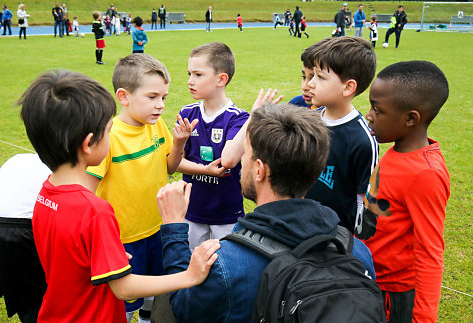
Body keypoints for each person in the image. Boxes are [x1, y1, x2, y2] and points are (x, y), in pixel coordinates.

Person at [19, 69, 220, 323]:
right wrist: (190, 275)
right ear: (88, 144)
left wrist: (104, 252)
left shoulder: (45, 194)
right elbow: (123, 288)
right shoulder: (96, 210)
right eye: (108, 128)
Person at [159, 100, 377, 322]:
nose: (242, 160)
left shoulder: (224, 265)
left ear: (259, 171)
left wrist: (173, 230)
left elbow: (183, 308)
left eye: (246, 153)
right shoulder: (356, 251)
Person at [86, 54, 198, 323]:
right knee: (125, 301)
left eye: (164, 98)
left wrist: (180, 143)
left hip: (159, 230)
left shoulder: (156, 125)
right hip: (122, 240)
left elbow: (170, 167)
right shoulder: (109, 137)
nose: (160, 105)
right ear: (123, 96)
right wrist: (99, 241)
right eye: (152, 97)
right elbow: (87, 194)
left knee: (156, 293)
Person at [355, 60, 450, 323]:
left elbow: (430, 252)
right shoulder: (397, 150)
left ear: (411, 118)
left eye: (377, 109)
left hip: (394, 294)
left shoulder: (425, 174)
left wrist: (423, 318)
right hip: (372, 278)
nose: (369, 115)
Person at [177, 42, 249, 249]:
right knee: (191, 263)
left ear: (221, 79)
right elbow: (174, 163)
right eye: (189, 74)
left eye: (198, 75)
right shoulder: (187, 113)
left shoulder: (238, 118)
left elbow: (229, 160)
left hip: (227, 212)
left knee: (224, 265)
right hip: (192, 209)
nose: (190, 81)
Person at [302, 37, 379, 233]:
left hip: (335, 241)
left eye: (320, 77)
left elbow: (365, 202)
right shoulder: (307, 120)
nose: (310, 84)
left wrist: (357, 244)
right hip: (300, 227)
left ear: (348, 87)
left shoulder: (363, 140)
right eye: (311, 76)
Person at [0, 154, 50, 323]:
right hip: (20, 231)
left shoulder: (18, 159)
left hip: (0, 218)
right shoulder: (64, 169)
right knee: (35, 304)